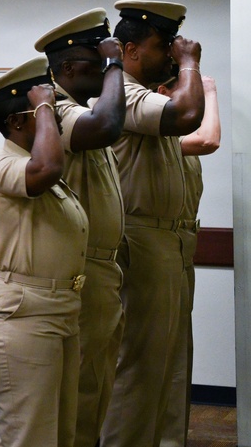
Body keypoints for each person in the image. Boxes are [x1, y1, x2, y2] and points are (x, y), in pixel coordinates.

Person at [0, 56, 88, 447]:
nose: (54, 121)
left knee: (59, 434)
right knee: (30, 437)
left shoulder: (37, 169)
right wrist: (46, 106)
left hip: (56, 309)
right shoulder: (2, 166)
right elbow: (48, 166)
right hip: (18, 316)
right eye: (43, 114)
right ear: (19, 122)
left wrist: (44, 109)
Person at [100, 0, 204, 446]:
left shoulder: (147, 93)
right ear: (129, 51)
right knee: (140, 367)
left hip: (171, 241)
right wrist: (191, 65)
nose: (171, 54)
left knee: (172, 364)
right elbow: (188, 116)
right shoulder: (123, 94)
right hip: (140, 241)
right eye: (163, 46)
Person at [34, 8, 126, 447]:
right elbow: (106, 125)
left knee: (97, 389)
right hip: (79, 274)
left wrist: (108, 67)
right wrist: (118, 66)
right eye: (98, 59)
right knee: (81, 395)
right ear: (68, 68)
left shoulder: (78, 110)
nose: (106, 65)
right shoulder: (55, 111)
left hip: (102, 271)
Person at [159, 73, 220, 447]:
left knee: (179, 356)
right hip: (155, 247)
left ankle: (170, 439)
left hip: (181, 244)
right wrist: (209, 91)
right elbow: (209, 138)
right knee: (151, 361)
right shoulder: (156, 133)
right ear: (164, 93)